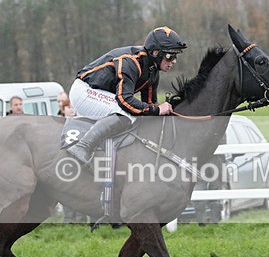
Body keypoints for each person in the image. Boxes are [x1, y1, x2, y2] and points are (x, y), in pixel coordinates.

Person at [65, 26, 187, 165]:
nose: (174, 61)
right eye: (170, 56)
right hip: (85, 91)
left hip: (101, 94)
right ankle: (82, 147)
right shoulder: (131, 62)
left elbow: (149, 106)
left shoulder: (153, 71)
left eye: (176, 56)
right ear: (155, 52)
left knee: (137, 114)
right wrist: (158, 109)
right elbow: (125, 101)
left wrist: (162, 110)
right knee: (126, 114)